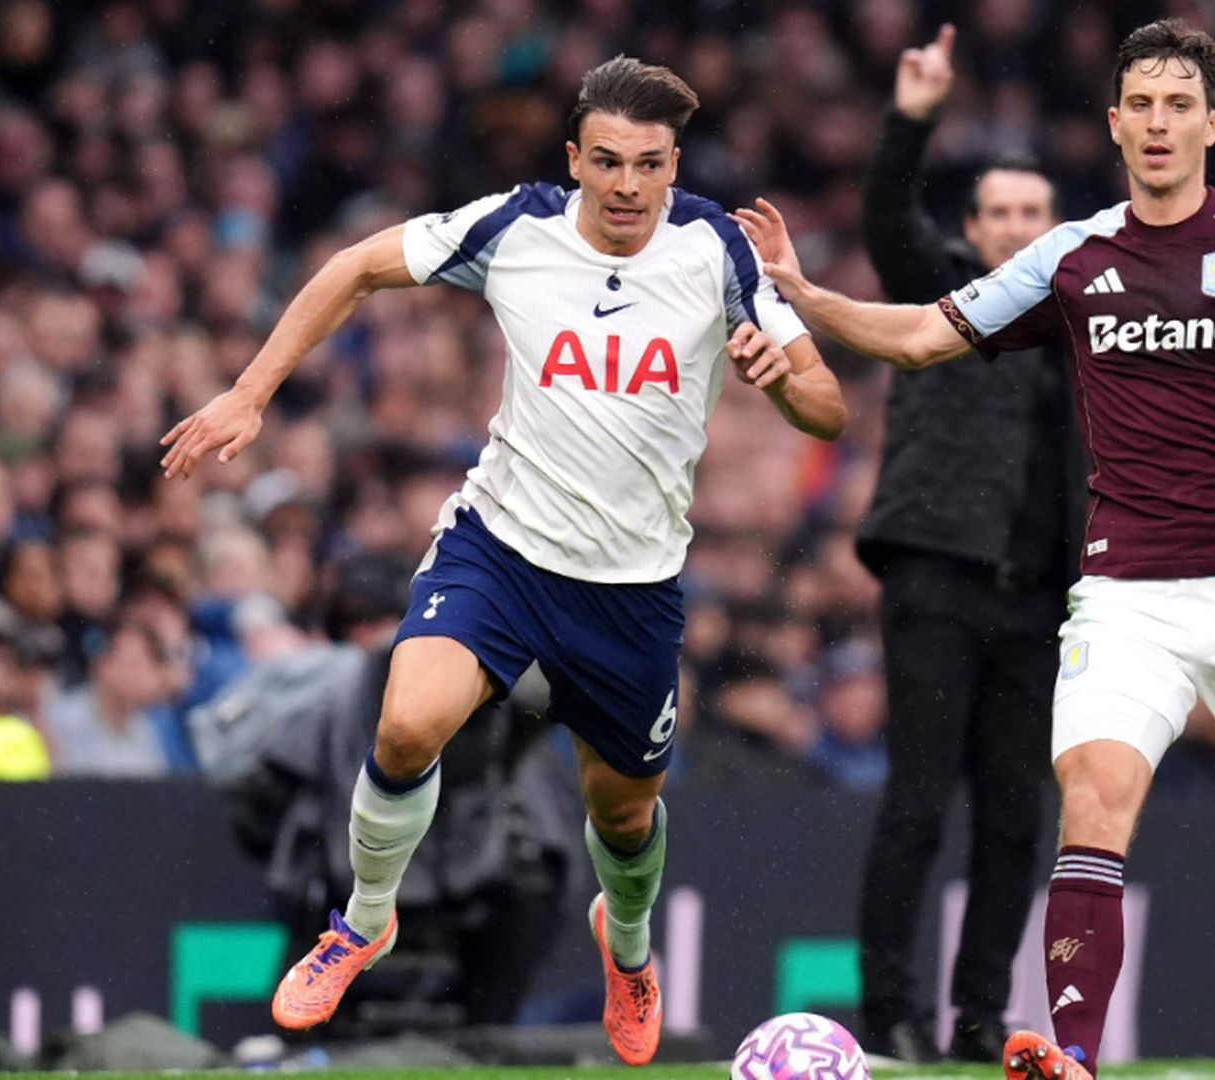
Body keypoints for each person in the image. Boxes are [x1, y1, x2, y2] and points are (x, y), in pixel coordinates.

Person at [734, 20, 1215, 1080]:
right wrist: (809, 297)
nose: (1159, 123)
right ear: (1113, 122)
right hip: (1127, 594)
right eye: (1142, 105)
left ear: (1210, 124)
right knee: (1092, 799)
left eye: (1180, 105)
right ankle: (1071, 1052)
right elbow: (928, 333)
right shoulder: (1073, 257)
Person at [160, 56, 847, 1064]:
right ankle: (366, 917)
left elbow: (827, 404)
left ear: (673, 167)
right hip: (502, 548)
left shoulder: (716, 250)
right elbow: (354, 265)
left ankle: (629, 947)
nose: (625, 185)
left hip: (631, 589)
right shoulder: (514, 228)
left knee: (622, 817)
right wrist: (250, 392)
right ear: (574, 159)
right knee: (406, 726)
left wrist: (778, 378)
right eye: (605, 162)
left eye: (647, 165)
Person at [853, 24, 1082, 1064]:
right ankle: (889, 1014)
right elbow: (884, 215)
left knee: (1011, 824)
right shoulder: (934, 289)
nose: (1016, 228)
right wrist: (911, 116)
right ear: (975, 227)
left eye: (1034, 214)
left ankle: (981, 1017)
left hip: (1041, 599)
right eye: (1000, 212)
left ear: (1055, 227)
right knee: (916, 805)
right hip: (938, 578)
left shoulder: (1085, 320)